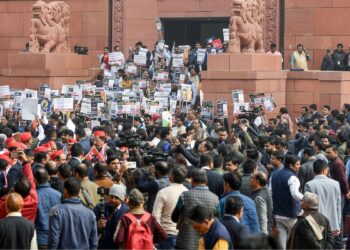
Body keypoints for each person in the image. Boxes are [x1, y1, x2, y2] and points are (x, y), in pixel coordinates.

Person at [172, 169, 220, 250]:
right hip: (205, 243)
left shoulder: (184, 196)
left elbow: (174, 217)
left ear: (192, 181)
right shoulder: (216, 199)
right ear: (206, 182)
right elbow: (217, 220)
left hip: (184, 243)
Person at [48, 177, 98, 249]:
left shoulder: (56, 211)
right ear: (79, 192)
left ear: (65, 191)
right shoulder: (90, 213)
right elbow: (94, 241)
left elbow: (53, 239)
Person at [305, 159, 342, 249]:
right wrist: (338, 224)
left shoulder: (309, 185)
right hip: (332, 224)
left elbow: (307, 207)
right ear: (325, 170)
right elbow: (338, 206)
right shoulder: (335, 184)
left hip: (315, 223)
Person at [271, 155, 303, 249]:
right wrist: (306, 198)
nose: (299, 166)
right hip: (291, 215)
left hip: (278, 214)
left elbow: (270, 192)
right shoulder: (293, 178)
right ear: (291, 165)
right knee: (293, 242)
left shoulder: (275, 175)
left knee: (282, 243)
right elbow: (295, 194)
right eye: (297, 164)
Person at [152, 165, 188, 249]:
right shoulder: (187, 192)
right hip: (183, 235)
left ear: (171, 176)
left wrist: (159, 234)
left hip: (165, 235)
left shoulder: (163, 192)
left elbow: (155, 216)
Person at [94, 184, 128, 249]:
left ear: (122, 199)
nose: (113, 200)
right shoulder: (100, 207)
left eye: (116, 197)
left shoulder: (126, 212)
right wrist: (97, 225)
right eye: (111, 196)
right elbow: (90, 227)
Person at [34, 168, 61, 249]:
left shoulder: (34, 197)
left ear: (35, 180)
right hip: (56, 238)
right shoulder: (58, 195)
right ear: (49, 178)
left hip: (40, 239)